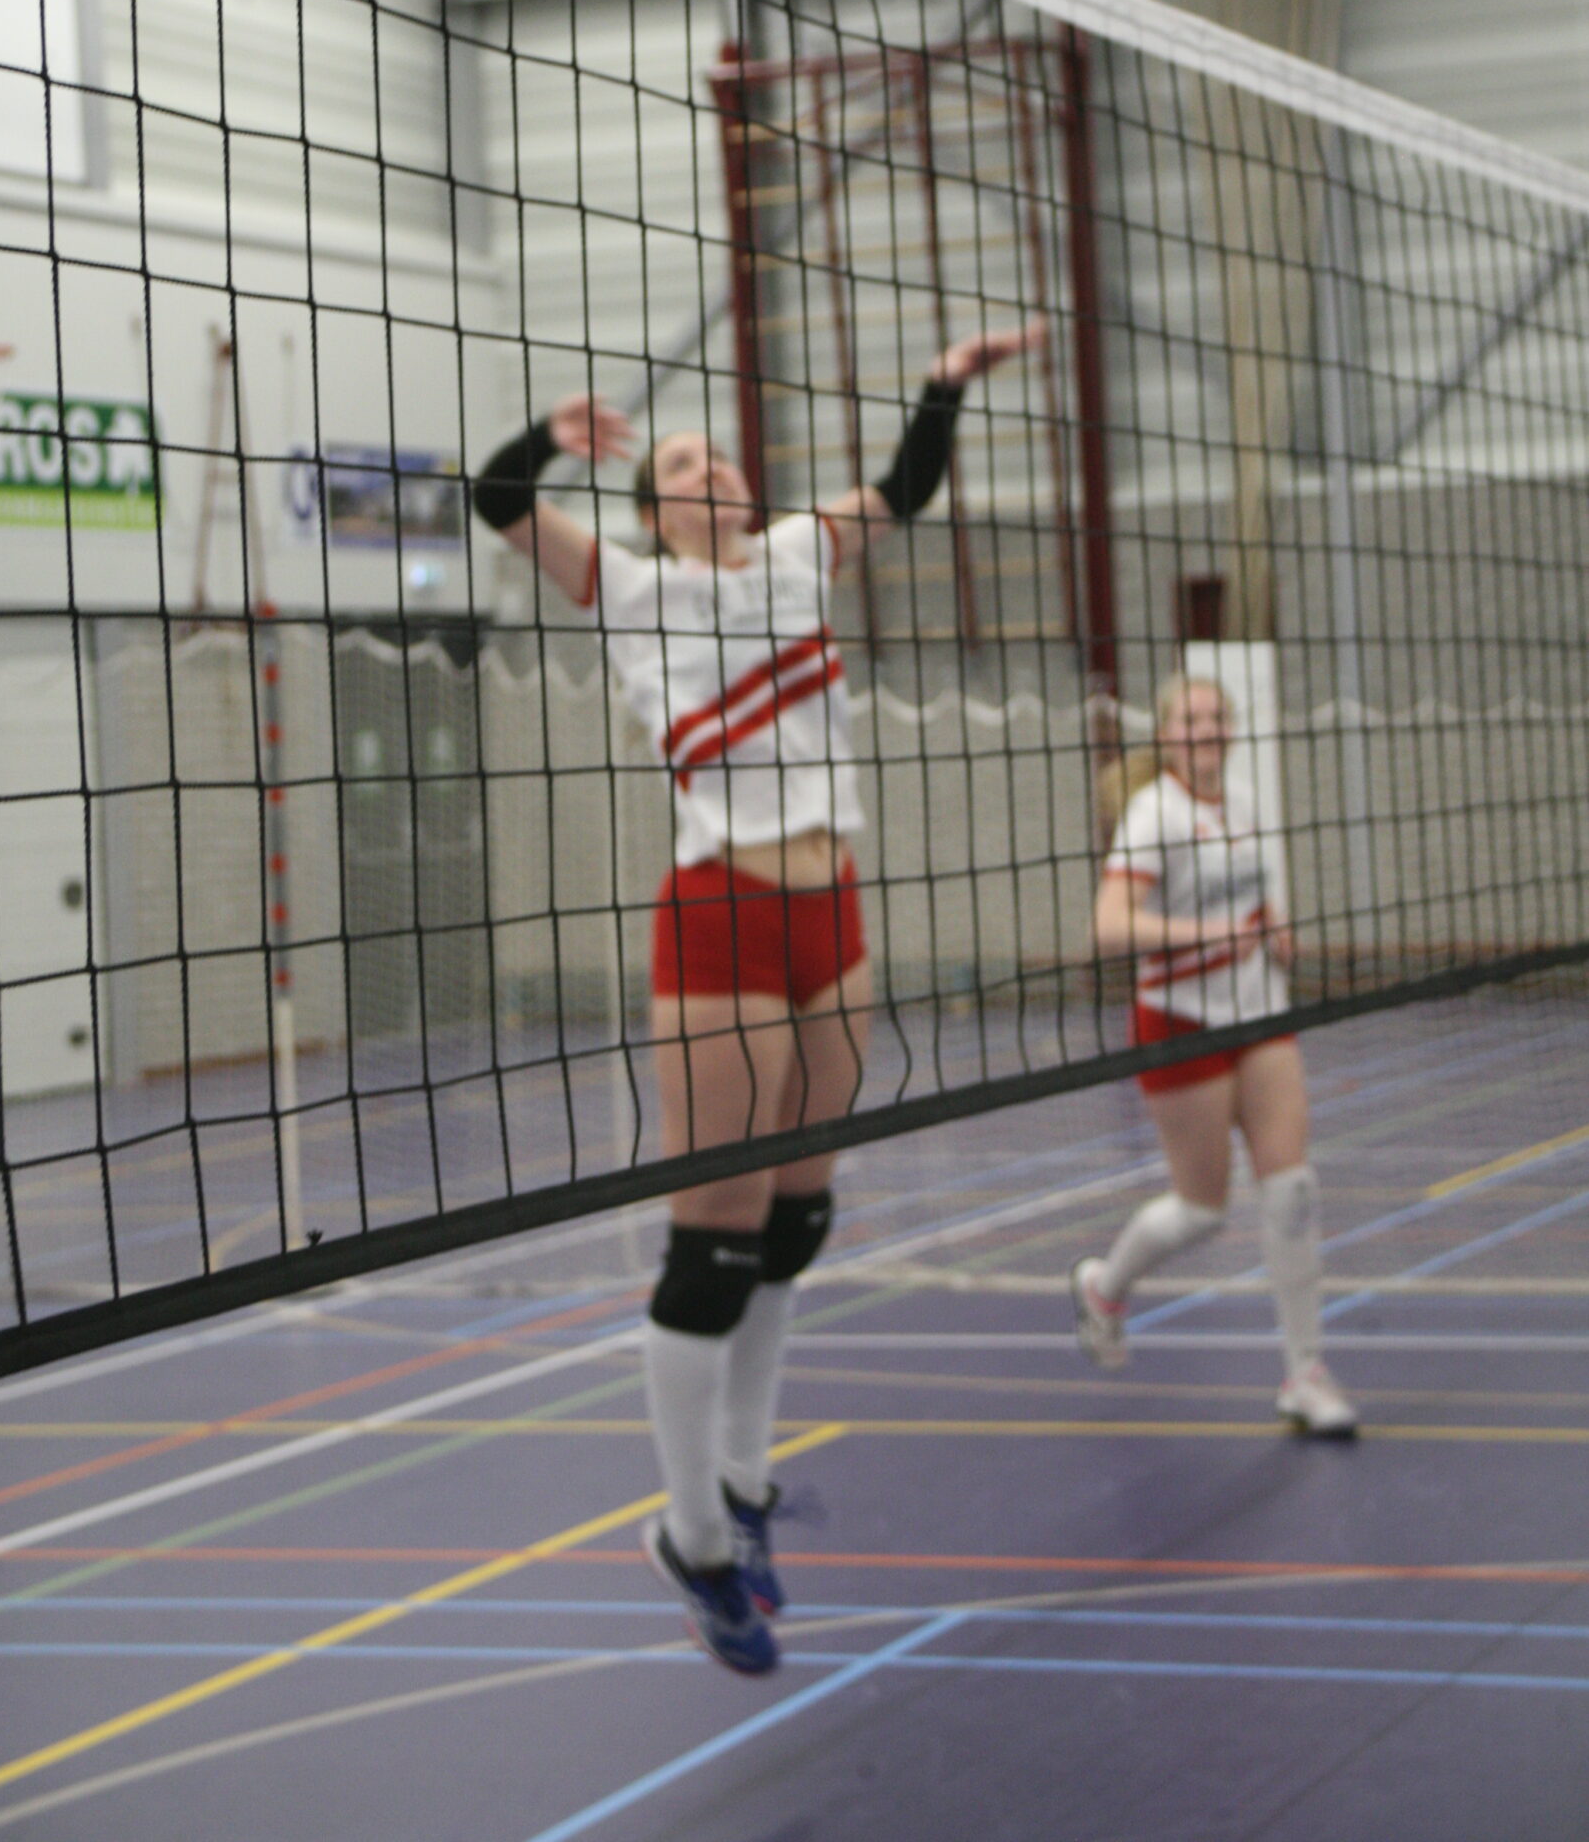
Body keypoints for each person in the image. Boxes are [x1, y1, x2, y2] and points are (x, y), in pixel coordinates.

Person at [473, 322, 1040, 1669]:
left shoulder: (794, 555)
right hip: (720, 916)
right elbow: (496, 502)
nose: (711, 470)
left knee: (796, 1218)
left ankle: (741, 1479)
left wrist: (943, 385)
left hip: (831, 915)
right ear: (653, 511)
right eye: (681, 464)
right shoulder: (627, 586)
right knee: (714, 1237)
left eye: (717, 457)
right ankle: (690, 1535)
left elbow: (902, 489)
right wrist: (552, 439)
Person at [1071, 674, 1357, 1438]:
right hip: (1180, 1021)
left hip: (1256, 1013)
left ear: (1229, 728)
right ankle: (1104, 1287)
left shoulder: (1245, 805)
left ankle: (1304, 1373)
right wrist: (1209, 935)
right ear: (1167, 733)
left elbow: (1250, 894)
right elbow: (1108, 927)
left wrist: (1273, 926)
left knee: (1291, 1188)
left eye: (1214, 716)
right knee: (1201, 1208)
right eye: (1189, 718)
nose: (1204, 728)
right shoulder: (1152, 814)